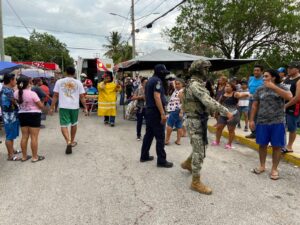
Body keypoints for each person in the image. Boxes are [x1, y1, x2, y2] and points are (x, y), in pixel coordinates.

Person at [180, 60, 233, 194]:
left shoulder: (195, 83)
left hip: (199, 120)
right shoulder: (195, 85)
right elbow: (207, 100)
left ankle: (188, 163)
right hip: (195, 120)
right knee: (200, 150)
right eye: (205, 69)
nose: (207, 71)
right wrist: (225, 111)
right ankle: (195, 182)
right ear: (198, 69)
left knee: (202, 147)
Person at [250, 69, 292, 180]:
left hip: (277, 121)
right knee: (262, 145)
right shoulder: (260, 89)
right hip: (262, 121)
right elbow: (254, 105)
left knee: (277, 147)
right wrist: (251, 120)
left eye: (266, 76)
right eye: (263, 76)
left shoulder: (282, 87)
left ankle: (274, 169)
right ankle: (262, 166)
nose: (263, 78)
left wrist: (273, 87)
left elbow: (289, 97)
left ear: (273, 77)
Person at [140, 64, 173, 168]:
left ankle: (144, 156)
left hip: (149, 111)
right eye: (164, 73)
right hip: (155, 112)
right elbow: (157, 96)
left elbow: (147, 96)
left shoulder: (150, 80)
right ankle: (161, 161)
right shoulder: (157, 81)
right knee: (160, 137)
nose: (165, 76)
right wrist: (162, 113)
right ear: (160, 72)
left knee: (149, 135)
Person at [50, 66, 88, 155]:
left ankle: (68, 141)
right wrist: (86, 108)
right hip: (74, 107)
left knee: (64, 125)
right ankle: (72, 141)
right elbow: (82, 96)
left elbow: (55, 95)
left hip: (63, 106)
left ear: (66, 72)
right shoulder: (78, 82)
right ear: (74, 73)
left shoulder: (59, 82)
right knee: (74, 124)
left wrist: (52, 107)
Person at [14, 76, 45, 162]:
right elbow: (41, 106)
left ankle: (24, 156)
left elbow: (17, 102)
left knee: (24, 137)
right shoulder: (32, 93)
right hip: (34, 115)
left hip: (22, 115)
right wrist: (43, 102)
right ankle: (35, 157)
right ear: (28, 83)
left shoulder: (16, 93)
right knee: (34, 137)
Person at [211, 82, 250, 149]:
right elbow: (219, 103)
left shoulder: (235, 94)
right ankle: (217, 141)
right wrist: (216, 112)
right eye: (226, 86)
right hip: (223, 114)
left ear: (232, 88)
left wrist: (247, 94)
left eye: (228, 86)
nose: (226, 87)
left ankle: (229, 144)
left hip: (233, 115)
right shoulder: (223, 94)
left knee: (231, 130)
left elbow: (242, 94)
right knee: (219, 128)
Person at [0, 74, 20, 161]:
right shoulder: (7, 91)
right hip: (9, 116)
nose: (16, 81)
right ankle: (10, 155)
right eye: (15, 79)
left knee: (11, 134)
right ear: (11, 80)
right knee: (9, 135)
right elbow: (16, 102)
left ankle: (12, 150)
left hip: (10, 115)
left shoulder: (6, 89)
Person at [282, 61, 300, 153]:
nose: (288, 69)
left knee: (292, 127)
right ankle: (281, 144)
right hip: (284, 106)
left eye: (291, 68)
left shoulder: (298, 80)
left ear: (297, 69)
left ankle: (289, 146)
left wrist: (286, 105)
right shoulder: (287, 79)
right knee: (281, 125)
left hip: (294, 107)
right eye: (288, 68)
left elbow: (297, 97)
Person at [245, 65, 264, 138]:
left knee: (259, 116)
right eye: (255, 70)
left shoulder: (264, 79)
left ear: (261, 71)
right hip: (251, 100)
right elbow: (249, 89)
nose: (255, 72)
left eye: (258, 70)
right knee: (251, 116)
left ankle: (260, 133)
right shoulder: (251, 78)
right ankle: (254, 132)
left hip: (261, 101)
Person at [165, 78, 185, 145]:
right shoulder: (178, 90)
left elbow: (183, 103)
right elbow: (173, 82)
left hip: (176, 110)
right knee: (179, 125)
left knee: (169, 124)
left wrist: (181, 112)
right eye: (176, 84)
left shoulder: (181, 92)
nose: (177, 85)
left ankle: (167, 140)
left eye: (179, 84)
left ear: (182, 84)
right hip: (177, 110)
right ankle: (178, 141)